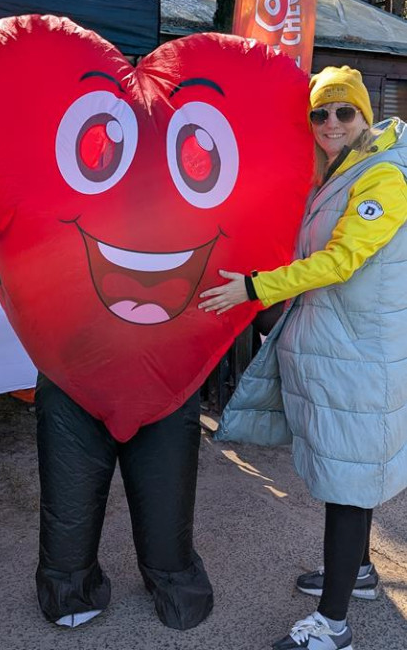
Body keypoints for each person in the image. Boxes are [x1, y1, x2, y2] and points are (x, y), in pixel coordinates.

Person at [198, 66, 407, 650]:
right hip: (345, 346)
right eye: (320, 113)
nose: (330, 123)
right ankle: (357, 574)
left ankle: (332, 625)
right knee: (349, 469)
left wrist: (256, 288)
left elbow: (342, 261)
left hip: (361, 355)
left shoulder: (383, 176)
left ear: (365, 115)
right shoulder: (340, 172)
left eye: (344, 111)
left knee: (347, 484)